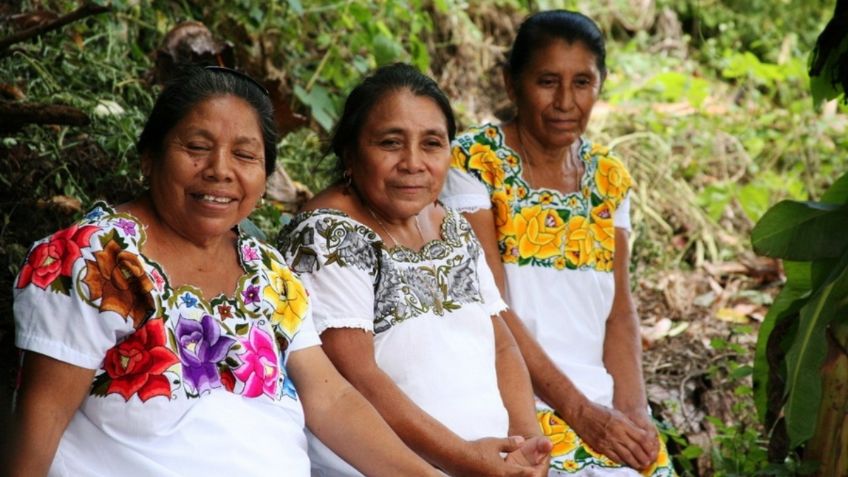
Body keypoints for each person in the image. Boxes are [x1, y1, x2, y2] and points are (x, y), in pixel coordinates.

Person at [9, 66, 442, 477]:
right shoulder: (91, 258)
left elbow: (331, 398)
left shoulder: (267, 271)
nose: (220, 170)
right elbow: (38, 420)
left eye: (244, 154)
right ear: (149, 157)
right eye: (196, 148)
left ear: (265, 174)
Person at [278, 63, 551, 477]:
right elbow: (359, 380)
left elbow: (502, 346)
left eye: (432, 144)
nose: (413, 162)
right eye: (390, 143)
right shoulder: (327, 236)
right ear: (350, 152)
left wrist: (528, 445)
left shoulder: (450, 224)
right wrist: (466, 460)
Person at [440, 10, 675, 477]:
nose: (566, 101)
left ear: (600, 85)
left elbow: (620, 313)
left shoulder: (609, 178)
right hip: (513, 402)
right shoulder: (473, 162)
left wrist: (634, 415)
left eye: (583, 82)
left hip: (600, 401)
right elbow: (493, 308)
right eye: (548, 81)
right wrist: (581, 413)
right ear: (511, 84)